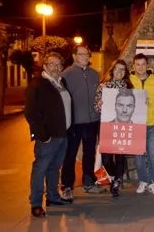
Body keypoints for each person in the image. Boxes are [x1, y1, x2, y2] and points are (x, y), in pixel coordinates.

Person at [25, 52, 72, 219]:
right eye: (52, 64)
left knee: (54, 168)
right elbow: (30, 113)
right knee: (40, 168)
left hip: (62, 134)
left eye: (59, 65)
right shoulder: (37, 85)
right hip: (48, 137)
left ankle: (52, 196)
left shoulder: (61, 82)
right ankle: (36, 203)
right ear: (44, 66)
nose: (56, 67)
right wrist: (42, 135)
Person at [60, 46, 104, 199]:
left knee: (89, 153)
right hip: (74, 122)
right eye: (81, 54)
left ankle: (89, 182)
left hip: (92, 121)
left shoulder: (94, 74)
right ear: (74, 56)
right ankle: (67, 185)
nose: (85, 57)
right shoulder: (66, 74)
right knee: (70, 154)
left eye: (87, 54)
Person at [93, 60, 134, 197]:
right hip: (106, 125)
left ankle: (116, 180)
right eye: (117, 69)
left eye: (122, 70)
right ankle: (112, 175)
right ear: (112, 70)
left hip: (123, 125)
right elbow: (96, 108)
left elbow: (135, 104)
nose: (119, 72)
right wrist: (99, 105)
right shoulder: (103, 86)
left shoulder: (128, 86)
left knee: (121, 154)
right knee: (106, 156)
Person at [129, 53, 154, 195]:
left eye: (143, 64)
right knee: (138, 155)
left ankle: (153, 182)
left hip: (153, 124)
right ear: (133, 66)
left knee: (153, 154)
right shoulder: (129, 80)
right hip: (136, 124)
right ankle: (143, 180)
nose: (140, 67)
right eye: (137, 64)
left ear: (147, 65)